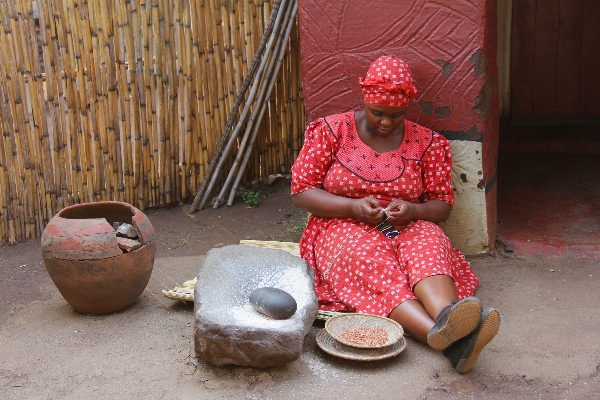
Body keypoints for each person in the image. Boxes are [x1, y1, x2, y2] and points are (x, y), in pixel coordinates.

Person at [291, 55, 500, 374]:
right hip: (340, 226)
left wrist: (414, 210)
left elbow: (441, 206)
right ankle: (446, 339)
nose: (386, 123)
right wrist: (352, 206)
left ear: (407, 108)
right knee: (371, 262)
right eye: (378, 114)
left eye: (396, 115)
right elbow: (302, 190)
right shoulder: (331, 131)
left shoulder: (428, 143)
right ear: (365, 100)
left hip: (406, 224)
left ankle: (449, 316)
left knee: (428, 242)